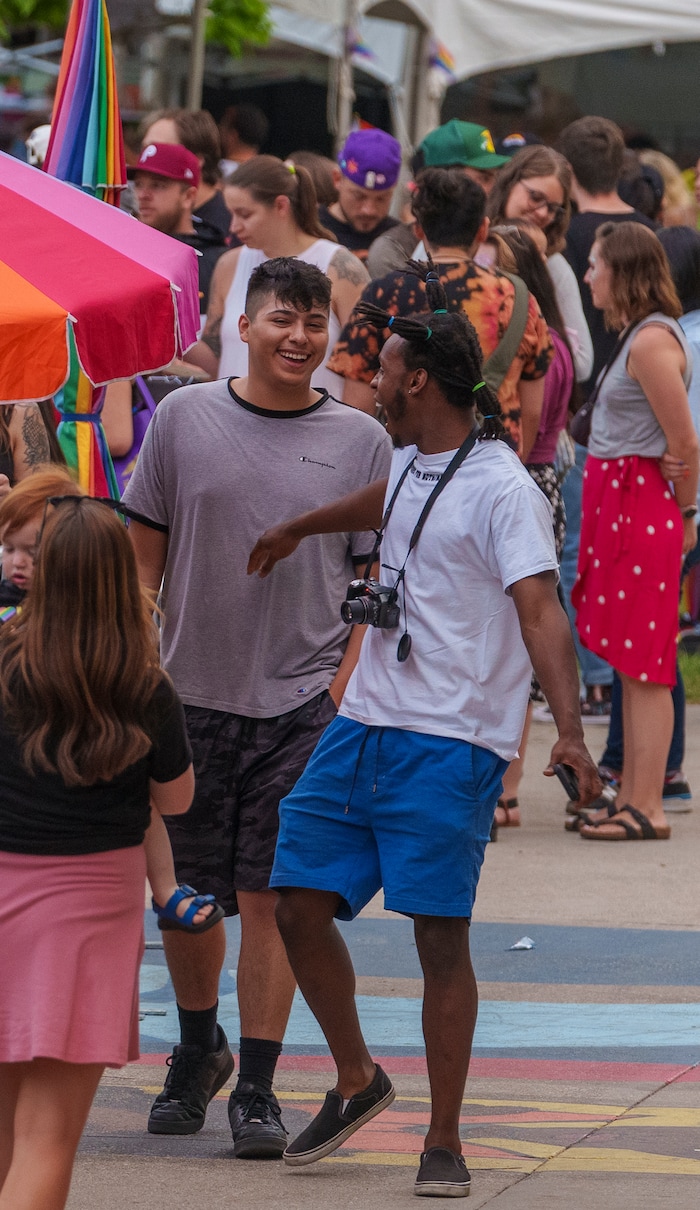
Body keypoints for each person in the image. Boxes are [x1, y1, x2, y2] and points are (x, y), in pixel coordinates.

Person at [247, 269, 600, 1198]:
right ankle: (359, 1079)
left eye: (383, 368)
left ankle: (443, 1138)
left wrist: (568, 733)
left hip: (451, 741)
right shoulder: (408, 458)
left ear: (417, 383)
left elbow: (541, 611)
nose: (368, 380)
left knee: (439, 939)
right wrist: (296, 527)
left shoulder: (503, 490)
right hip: (364, 720)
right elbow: (380, 504)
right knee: (295, 903)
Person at [122, 258, 392, 1156]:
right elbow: (140, 560)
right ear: (243, 326)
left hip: (300, 702)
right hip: (186, 696)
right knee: (189, 898)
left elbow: (373, 576)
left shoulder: (362, 439)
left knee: (272, 898)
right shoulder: (185, 420)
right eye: (282, 319)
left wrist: (343, 676)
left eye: (315, 322)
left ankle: (263, 1086)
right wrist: (134, 668)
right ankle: (200, 1052)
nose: (299, 337)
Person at [0, 497, 195, 1210]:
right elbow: (175, 802)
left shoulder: (3, 661)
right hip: (88, 913)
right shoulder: (143, 685)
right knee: (46, 1140)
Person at [0, 468, 222, 932]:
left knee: (144, 800)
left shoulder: (119, 663)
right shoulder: (140, 679)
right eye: (8, 550)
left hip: (44, 857)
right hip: (93, 866)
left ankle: (165, 888)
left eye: (32, 554)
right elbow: (178, 798)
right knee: (144, 795)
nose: (17, 564)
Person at [571, 222, 699, 841]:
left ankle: (647, 806)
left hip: (640, 510)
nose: (588, 274)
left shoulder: (650, 342)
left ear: (621, 270)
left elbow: (685, 443)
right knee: (632, 664)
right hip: (625, 506)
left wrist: (689, 513)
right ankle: (637, 796)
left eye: (596, 265)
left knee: (646, 668)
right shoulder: (636, 338)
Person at [328, 168, 553, 458]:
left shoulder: (384, 293)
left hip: (410, 461)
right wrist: (516, 463)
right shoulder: (517, 297)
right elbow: (533, 407)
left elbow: (358, 408)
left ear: (419, 230)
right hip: (495, 457)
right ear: (483, 230)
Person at [555, 116, 657, 721]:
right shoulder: (648, 231)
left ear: (565, 171)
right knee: (605, 559)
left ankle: (587, 675)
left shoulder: (564, 236)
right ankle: (602, 677)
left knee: (573, 549)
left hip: (576, 415)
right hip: (629, 419)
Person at [482, 222, 575, 829]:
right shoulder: (558, 344)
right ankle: (507, 790)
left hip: (519, 478)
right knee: (521, 634)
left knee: (502, 636)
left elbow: (531, 432)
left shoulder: (527, 342)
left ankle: (501, 790)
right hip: (543, 487)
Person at [186, 155, 374, 410]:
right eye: (231, 214)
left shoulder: (341, 267)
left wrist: (351, 434)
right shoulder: (229, 264)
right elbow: (213, 359)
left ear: (281, 206)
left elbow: (362, 367)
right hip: (236, 426)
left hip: (316, 431)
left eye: (245, 214)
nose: (234, 227)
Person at [486, 144, 593, 382]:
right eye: (535, 197)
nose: (543, 213)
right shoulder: (469, 240)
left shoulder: (553, 266)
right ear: (510, 183)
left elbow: (583, 363)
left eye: (554, 208)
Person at [130, 142, 227, 316]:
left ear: (189, 196)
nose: (143, 195)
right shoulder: (127, 252)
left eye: (157, 185)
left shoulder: (219, 261)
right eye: (138, 184)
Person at [140, 108, 231, 246]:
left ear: (196, 160)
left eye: (162, 152)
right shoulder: (145, 215)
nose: (147, 157)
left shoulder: (230, 226)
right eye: (145, 148)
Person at [317, 128, 402, 262]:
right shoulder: (310, 230)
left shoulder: (401, 242)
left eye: (381, 198)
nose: (368, 210)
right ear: (337, 179)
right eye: (359, 196)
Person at [219, 103, 269, 178]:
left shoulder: (216, 173)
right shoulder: (267, 174)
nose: (219, 130)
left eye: (223, 126)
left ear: (232, 136)